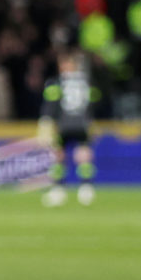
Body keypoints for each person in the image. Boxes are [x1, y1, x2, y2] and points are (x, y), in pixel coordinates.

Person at [37, 49, 98, 206]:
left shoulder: (57, 82)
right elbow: (93, 102)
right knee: (83, 153)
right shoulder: (86, 81)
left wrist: (45, 122)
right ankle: (86, 188)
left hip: (64, 123)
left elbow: (51, 105)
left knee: (58, 154)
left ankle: (58, 189)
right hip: (82, 123)